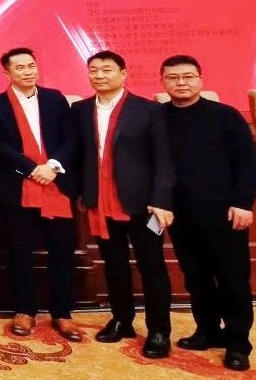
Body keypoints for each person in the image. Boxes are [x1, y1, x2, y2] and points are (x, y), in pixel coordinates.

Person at [159, 55, 256, 372]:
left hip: (225, 213)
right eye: (173, 77)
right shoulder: (157, 118)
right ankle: (207, 331)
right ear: (163, 82)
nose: (181, 82)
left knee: (233, 279)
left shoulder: (225, 116)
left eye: (188, 76)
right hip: (180, 214)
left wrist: (244, 203)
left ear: (201, 79)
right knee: (196, 277)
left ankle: (238, 343)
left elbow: (248, 163)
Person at [72, 50, 174, 359]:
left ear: (123, 73)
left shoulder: (149, 110)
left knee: (152, 267)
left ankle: (159, 331)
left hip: (143, 204)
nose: (99, 75)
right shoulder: (80, 109)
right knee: (114, 265)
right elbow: (79, 156)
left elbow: (164, 159)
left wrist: (161, 200)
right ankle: (121, 320)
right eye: (94, 70)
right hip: (100, 202)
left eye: (107, 69)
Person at [0, 48, 82, 342]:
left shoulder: (55, 99)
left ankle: (62, 312)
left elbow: (71, 137)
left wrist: (52, 166)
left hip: (56, 184)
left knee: (62, 250)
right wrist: (32, 169)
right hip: (17, 187)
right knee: (19, 251)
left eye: (31, 66)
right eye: (20, 67)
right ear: (7, 73)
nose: (27, 71)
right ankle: (24, 310)